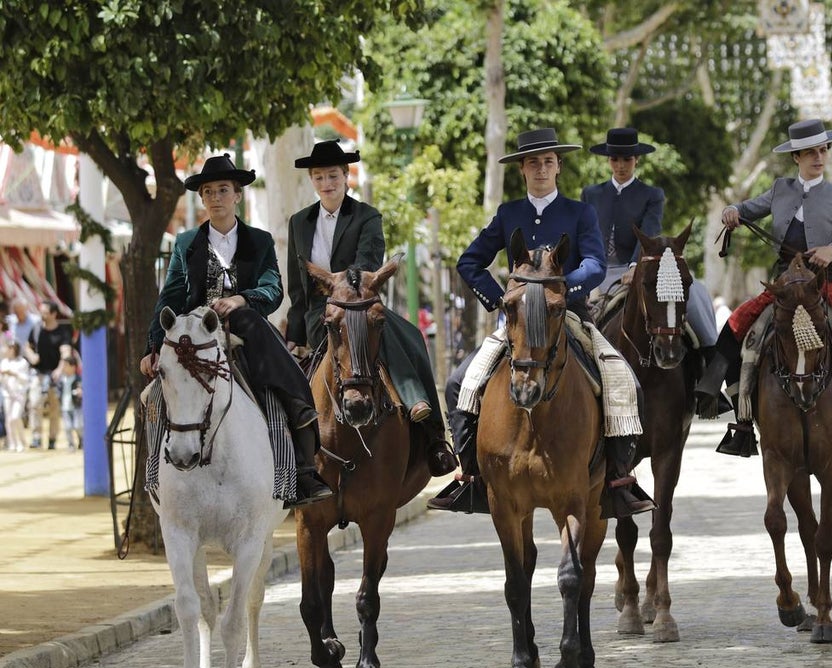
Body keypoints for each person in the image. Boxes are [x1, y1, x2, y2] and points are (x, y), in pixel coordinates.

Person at [429, 127, 656, 516]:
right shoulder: (508, 214)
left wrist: (561, 291)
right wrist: (501, 301)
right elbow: (469, 261)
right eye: (533, 163)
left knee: (626, 381)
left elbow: (595, 265)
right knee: (457, 384)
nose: (540, 169)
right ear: (522, 169)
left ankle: (618, 480)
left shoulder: (580, 212)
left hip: (567, 315)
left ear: (558, 167)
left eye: (548, 162)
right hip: (517, 324)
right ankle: (471, 478)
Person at [697, 118, 832, 452]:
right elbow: (746, 209)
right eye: (810, 152)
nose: (818, 157)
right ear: (796, 157)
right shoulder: (780, 189)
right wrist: (732, 210)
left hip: (826, 284)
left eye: (823, 150)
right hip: (783, 286)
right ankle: (742, 420)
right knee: (736, 328)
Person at [139, 153, 332, 507]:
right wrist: (152, 348)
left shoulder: (259, 240)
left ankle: (303, 465)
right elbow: (170, 297)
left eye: (223, 190)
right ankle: (154, 475)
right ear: (202, 198)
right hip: (196, 332)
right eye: (209, 192)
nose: (216, 197)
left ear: (237, 195)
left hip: (247, 328)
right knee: (154, 394)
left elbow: (273, 289)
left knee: (272, 379)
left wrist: (242, 299)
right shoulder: (185, 243)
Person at [284, 140, 456, 477]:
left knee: (411, 336)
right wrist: (295, 333)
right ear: (312, 180)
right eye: (319, 177)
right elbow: (297, 284)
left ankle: (434, 434)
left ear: (345, 176)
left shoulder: (367, 216)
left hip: (359, 304)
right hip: (320, 315)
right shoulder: (298, 222)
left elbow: (367, 263)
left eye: (332, 175)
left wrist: (340, 286)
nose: (326, 183)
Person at [581, 127, 719, 357]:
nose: (620, 165)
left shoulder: (652, 194)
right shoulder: (591, 193)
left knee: (694, 292)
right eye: (615, 159)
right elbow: (585, 235)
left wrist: (635, 267)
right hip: (597, 272)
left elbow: (648, 231)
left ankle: (710, 353)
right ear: (608, 160)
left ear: (637, 159)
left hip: (640, 269)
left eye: (627, 159)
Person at [25, 301, 70, 449]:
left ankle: (52, 438)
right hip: (38, 374)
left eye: (45, 312)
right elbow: (27, 346)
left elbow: (66, 352)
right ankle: (36, 437)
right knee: (34, 404)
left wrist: (59, 370)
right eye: (41, 312)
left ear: (54, 314)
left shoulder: (62, 332)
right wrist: (32, 356)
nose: (42, 315)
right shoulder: (36, 328)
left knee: (54, 408)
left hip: (55, 376)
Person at [1, 339, 32, 451]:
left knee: (16, 417)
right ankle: (12, 442)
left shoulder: (22, 362)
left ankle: (21, 441)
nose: (9, 350)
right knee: (8, 419)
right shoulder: (4, 362)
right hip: (7, 393)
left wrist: (13, 374)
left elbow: (26, 379)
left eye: (11, 348)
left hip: (19, 394)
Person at [56, 354, 82, 450]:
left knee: (78, 426)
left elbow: (82, 389)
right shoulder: (62, 379)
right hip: (65, 406)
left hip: (76, 406)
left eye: (65, 365)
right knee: (67, 427)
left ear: (73, 367)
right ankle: (71, 444)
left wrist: (80, 391)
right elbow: (58, 390)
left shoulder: (78, 379)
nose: (63, 368)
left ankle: (81, 440)